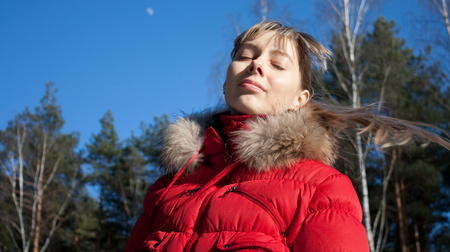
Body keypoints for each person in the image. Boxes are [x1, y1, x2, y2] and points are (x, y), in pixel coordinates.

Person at [126, 21, 449, 251]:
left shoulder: (321, 188)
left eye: (277, 64)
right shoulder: (167, 189)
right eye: (246, 56)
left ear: (300, 99)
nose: (256, 66)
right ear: (226, 82)